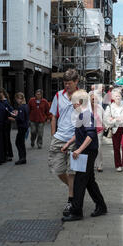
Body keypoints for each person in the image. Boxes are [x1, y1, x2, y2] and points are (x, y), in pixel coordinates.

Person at [61, 90, 107, 222]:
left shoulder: (86, 115)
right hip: (86, 151)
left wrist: (79, 150)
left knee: (80, 182)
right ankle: (101, 206)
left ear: (80, 103)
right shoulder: (82, 114)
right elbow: (80, 134)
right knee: (89, 181)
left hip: (87, 152)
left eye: (74, 104)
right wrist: (69, 143)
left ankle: (77, 212)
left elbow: (91, 136)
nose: (73, 106)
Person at [49, 69, 79, 215]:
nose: (67, 86)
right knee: (57, 169)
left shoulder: (82, 96)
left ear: (76, 82)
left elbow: (84, 118)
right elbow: (53, 116)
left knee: (71, 171)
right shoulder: (58, 95)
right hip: (59, 138)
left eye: (70, 83)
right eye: (65, 83)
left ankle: (71, 199)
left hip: (75, 138)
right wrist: (53, 135)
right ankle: (75, 189)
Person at [104, 90, 123, 172]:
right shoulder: (110, 107)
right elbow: (106, 119)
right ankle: (118, 165)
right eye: (116, 96)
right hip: (115, 129)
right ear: (113, 98)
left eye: (119, 96)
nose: (118, 97)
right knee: (116, 148)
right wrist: (114, 120)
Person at [89, 91, 105, 172]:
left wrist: (105, 126)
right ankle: (92, 164)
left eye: (95, 98)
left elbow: (104, 117)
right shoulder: (86, 108)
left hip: (99, 130)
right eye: (92, 98)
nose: (94, 100)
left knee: (99, 148)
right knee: (90, 148)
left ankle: (99, 165)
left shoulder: (99, 107)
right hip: (89, 131)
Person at [12, 92, 29, 165]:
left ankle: (22, 158)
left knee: (19, 142)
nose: (17, 100)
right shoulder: (25, 106)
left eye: (17, 99)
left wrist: (14, 117)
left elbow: (21, 118)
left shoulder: (21, 107)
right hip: (24, 126)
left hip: (22, 126)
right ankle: (23, 158)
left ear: (20, 99)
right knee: (20, 142)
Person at [0, 87, 14, 161]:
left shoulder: (5, 102)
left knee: (6, 138)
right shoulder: (3, 102)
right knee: (5, 138)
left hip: (6, 123)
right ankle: (7, 154)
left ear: (2, 94)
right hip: (4, 122)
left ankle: (8, 154)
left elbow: (10, 111)